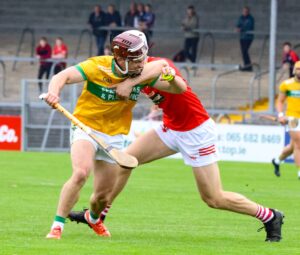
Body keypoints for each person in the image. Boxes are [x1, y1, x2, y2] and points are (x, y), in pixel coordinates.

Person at [68, 33, 284, 243]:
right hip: (171, 128)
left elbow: (160, 67)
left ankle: (270, 216)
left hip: (196, 131)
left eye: (130, 57)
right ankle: (97, 217)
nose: (125, 61)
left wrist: (128, 84)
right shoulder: (132, 71)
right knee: (124, 162)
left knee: (213, 198)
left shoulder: (156, 65)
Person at [44, 30, 185, 240]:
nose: (142, 63)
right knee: (81, 173)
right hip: (86, 126)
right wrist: (54, 91)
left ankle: (93, 218)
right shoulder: (97, 65)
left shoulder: (140, 75)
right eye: (137, 60)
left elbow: (179, 89)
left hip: (114, 136)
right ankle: (57, 226)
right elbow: (61, 75)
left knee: (102, 196)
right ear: (120, 58)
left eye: (142, 58)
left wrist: (171, 78)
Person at [272, 61, 300, 179]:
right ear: (295, 70)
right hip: (292, 117)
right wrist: (280, 115)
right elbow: (280, 101)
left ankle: (277, 161)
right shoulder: (286, 84)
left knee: (292, 147)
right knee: (299, 144)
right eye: (299, 69)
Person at [236, 6, 255, 71]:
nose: (245, 12)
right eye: (244, 11)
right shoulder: (241, 17)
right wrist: (238, 28)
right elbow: (238, 24)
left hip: (248, 37)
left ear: (248, 12)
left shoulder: (251, 18)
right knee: (244, 52)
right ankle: (246, 65)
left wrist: (241, 29)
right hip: (242, 37)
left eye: (246, 11)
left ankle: (248, 66)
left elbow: (249, 27)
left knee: (245, 51)